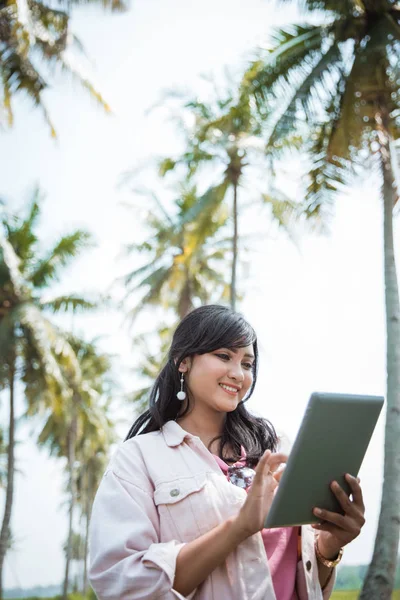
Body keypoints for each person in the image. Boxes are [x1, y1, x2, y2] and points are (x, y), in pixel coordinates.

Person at [89, 305, 365, 600]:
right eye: (224, 356)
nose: (238, 374)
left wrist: (329, 547)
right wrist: (239, 527)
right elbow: (122, 585)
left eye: (247, 364)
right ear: (183, 361)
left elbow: (301, 578)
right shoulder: (139, 458)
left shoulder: (275, 446)